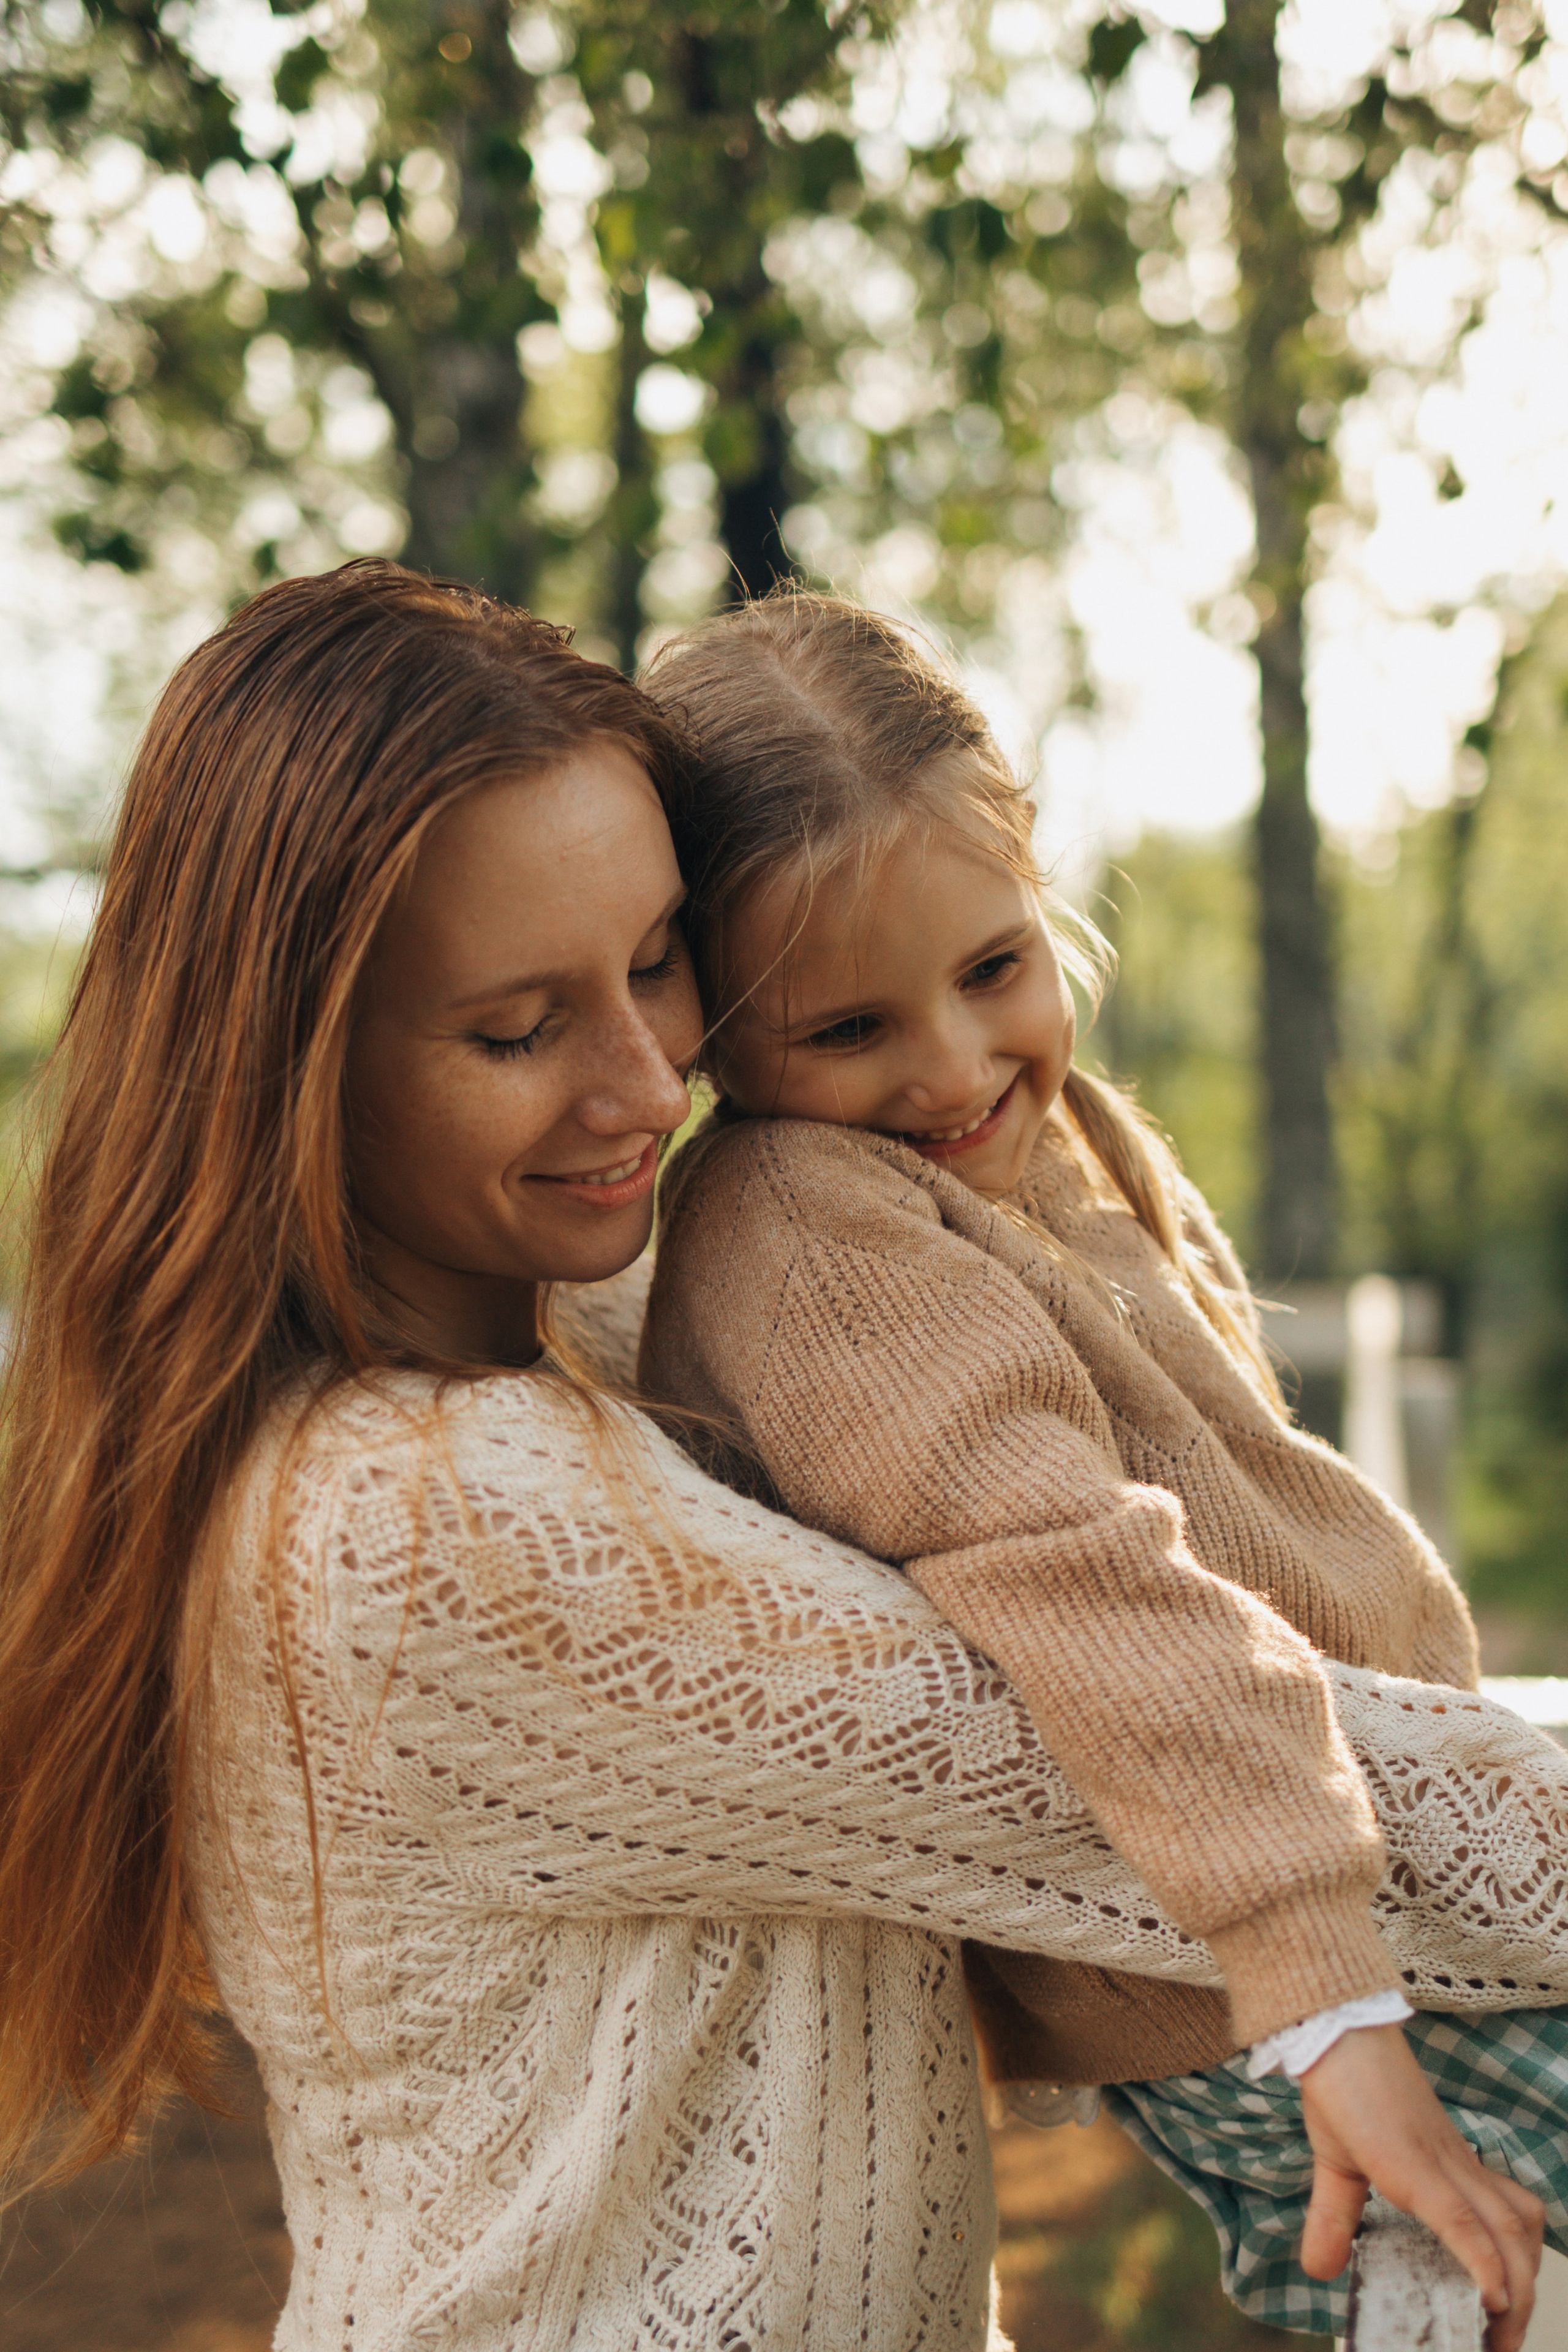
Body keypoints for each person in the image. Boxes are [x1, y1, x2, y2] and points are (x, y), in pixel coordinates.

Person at [2, 557, 1471, 2352]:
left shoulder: (613, 1365)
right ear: (294, 1064)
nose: (648, 1085)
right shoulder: (429, 1522)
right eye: (521, 1028)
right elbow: (1112, 1773)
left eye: (654, 965)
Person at [636, 587, 1562, 2340]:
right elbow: (1076, 1567)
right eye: (847, 1031)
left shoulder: (1044, 1141)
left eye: (994, 968)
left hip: (1398, 1877)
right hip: (1288, 1977)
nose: (958, 1064)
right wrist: (1326, 1999)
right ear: (710, 1030)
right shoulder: (801, 1224)